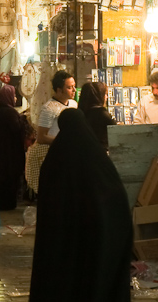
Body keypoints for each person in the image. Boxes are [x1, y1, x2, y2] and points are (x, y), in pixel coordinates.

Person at [29, 109, 132, 302]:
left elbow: (47, 205)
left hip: (62, 241)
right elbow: (116, 200)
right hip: (95, 238)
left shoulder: (54, 159)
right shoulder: (97, 158)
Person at [25, 70, 77, 195]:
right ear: (59, 90)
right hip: (53, 154)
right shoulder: (49, 108)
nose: (74, 90)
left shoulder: (74, 104)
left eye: (74, 86)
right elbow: (42, 137)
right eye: (69, 87)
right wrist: (62, 141)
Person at [0, 85, 28, 211]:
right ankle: (9, 204)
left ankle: (3, 203)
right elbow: (16, 129)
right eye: (14, 95)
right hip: (10, 152)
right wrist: (23, 119)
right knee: (10, 178)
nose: (16, 98)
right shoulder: (10, 112)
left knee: (2, 178)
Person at [79, 81, 116, 151]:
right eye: (105, 94)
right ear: (99, 95)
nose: (106, 97)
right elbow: (115, 132)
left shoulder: (81, 112)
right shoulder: (102, 113)